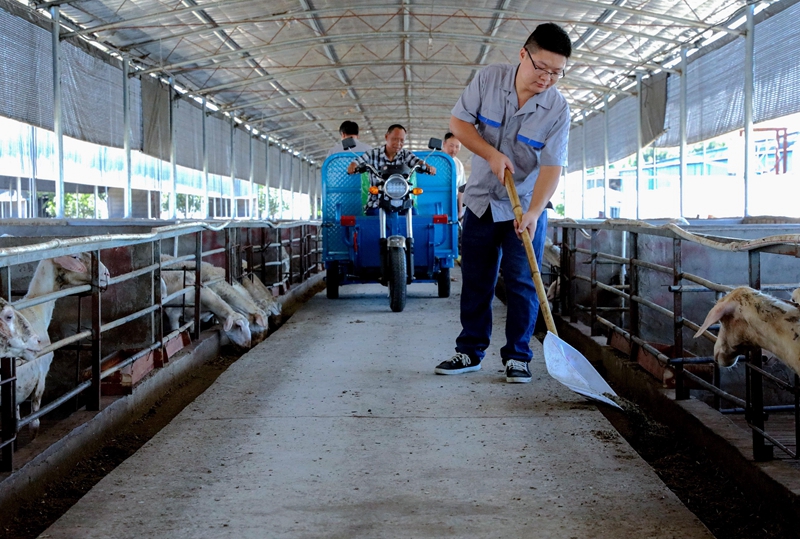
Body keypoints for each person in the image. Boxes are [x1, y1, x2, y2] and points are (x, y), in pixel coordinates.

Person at [434, 22, 572, 383]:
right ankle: (469, 351)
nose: (547, 78)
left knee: (523, 281)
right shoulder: (490, 80)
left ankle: (518, 357)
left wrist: (534, 212)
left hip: (525, 206)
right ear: (523, 54)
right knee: (477, 279)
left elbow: (552, 167)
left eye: (557, 72)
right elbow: (459, 124)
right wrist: (491, 155)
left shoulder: (557, 109)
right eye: (542, 67)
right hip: (480, 200)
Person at [347, 124, 436, 216]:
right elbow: (359, 160)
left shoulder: (406, 154)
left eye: (402, 141)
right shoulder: (372, 154)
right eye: (395, 139)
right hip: (377, 203)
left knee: (413, 215)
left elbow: (417, 162)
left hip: (403, 203)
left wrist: (428, 167)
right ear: (386, 137)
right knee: (373, 219)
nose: (398, 143)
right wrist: (353, 166)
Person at [443, 132, 467, 219]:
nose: (454, 149)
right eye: (451, 145)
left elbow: (461, 189)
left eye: (457, 147)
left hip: (453, 202)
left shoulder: (459, 164)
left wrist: (460, 211)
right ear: (444, 144)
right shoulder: (435, 160)